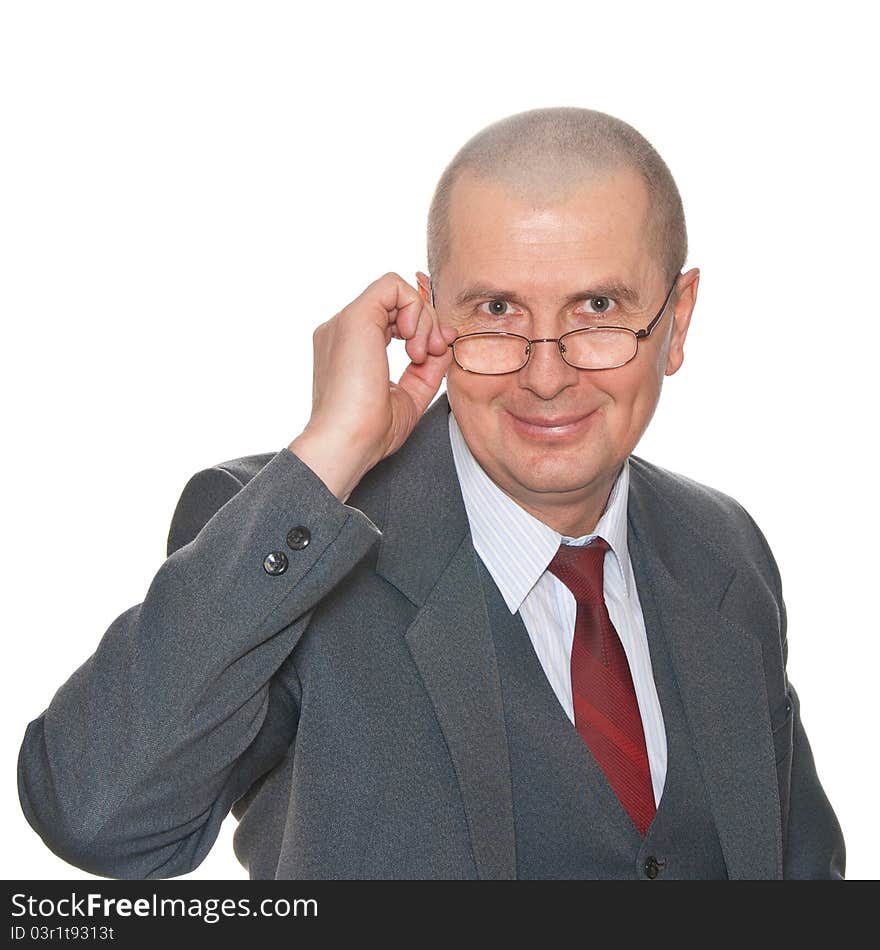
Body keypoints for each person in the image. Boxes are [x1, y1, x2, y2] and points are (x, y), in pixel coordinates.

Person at [17, 106, 845, 880]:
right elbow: (98, 816)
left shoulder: (723, 547)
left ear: (678, 319)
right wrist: (330, 453)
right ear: (431, 316)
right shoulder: (283, 535)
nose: (546, 374)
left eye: (598, 307)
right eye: (496, 310)